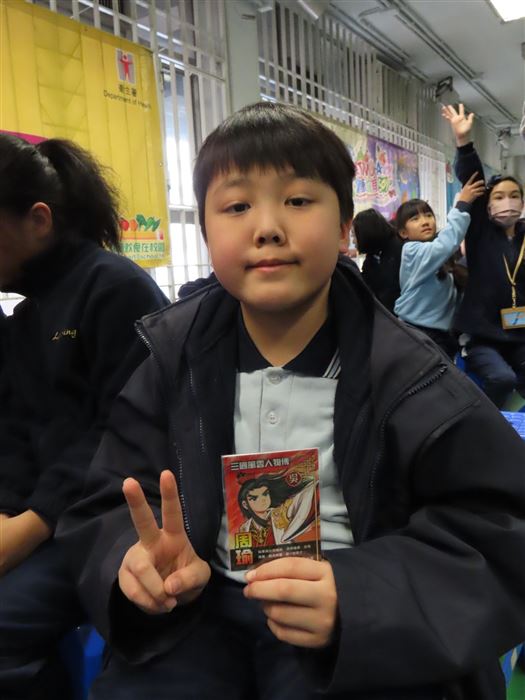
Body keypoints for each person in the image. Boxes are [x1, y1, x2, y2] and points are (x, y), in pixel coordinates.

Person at [59, 102, 525, 700]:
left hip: (358, 631)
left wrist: (358, 596)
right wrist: (134, 559)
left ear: (344, 228)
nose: (267, 227)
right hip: (199, 614)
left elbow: (498, 529)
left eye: (298, 200)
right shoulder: (171, 364)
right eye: (236, 207)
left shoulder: (412, 377)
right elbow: (107, 499)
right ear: (206, 233)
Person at [0, 134, 169, 700]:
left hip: (109, 525)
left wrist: (27, 527)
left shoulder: (116, 288)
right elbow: (16, 430)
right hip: (47, 517)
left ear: (38, 219)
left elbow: (122, 433)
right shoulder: (26, 315)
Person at [443, 103, 525, 407]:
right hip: (481, 335)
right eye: (499, 197)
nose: (507, 202)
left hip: (519, 334)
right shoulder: (480, 232)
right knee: (502, 379)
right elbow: (473, 179)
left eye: (514, 196)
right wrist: (463, 142)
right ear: (488, 205)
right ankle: (486, 424)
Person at [393, 176, 485, 359]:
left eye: (428, 215)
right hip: (415, 331)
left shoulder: (442, 255)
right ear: (403, 232)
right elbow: (445, 244)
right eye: (415, 218)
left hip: (442, 334)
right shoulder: (411, 251)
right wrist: (462, 205)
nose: (425, 221)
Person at [352, 208, 402, 312]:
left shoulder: (399, 250)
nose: (353, 241)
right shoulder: (371, 257)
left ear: (365, 233)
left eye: (354, 235)